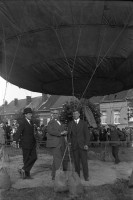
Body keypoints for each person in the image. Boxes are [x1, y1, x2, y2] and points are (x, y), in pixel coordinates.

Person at [12, 107, 37, 179]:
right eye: (29, 114)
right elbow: (18, 132)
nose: (31, 115)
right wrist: (14, 140)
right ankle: (27, 175)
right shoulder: (23, 122)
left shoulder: (31, 122)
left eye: (31, 114)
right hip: (25, 144)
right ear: (25, 115)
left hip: (32, 144)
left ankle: (23, 169)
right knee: (26, 159)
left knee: (34, 157)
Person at [68, 109, 89, 181]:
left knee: (84, 162)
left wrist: (86, 144)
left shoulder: (84, 123)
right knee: (76, 162)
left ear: (79, 114)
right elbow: (69, 135)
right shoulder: (70, 124)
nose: (75, 115)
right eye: (73, 114)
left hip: (83, 146)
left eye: (76, 114)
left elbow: (87, 135)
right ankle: (77, 177)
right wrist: (69, 142)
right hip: (74, 146)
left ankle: (86, 176)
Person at [46, 109, 67, 180]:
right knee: (58, 159)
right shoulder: (51, 122)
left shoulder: (60, 122)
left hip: (61, 143)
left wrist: (65, 132)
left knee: (56, 159)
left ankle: (54, 175)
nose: (55, 115)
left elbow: (62, 131)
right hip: (55, 143)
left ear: (59, 114)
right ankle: (59, 177)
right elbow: (50, 131)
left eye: (56, 113)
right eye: (54, 113)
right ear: (52, 115)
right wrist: (60, 133)